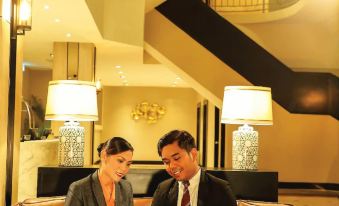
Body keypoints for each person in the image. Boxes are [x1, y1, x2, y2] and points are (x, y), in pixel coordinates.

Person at [152, 130, 237, 206]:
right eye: (166, 162)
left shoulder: (220, 189)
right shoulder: (163, 189)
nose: (171, 166)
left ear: (193, 154)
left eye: (176, 158)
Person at [65, 137, 134, 206]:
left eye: (128, 164)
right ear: (104, 156)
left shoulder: (126, 187)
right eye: (120, 161)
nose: (124, 168)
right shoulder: (79, 188)